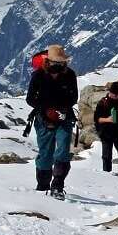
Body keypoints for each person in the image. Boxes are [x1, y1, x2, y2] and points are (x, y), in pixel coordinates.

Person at [26, 45, 78, 200]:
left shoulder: (70, 75)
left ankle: (57, 186)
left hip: (64, 118)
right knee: (46, 154)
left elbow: (73, 97)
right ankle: (42, 186)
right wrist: (46, 109)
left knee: (62, 150)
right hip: (43, 119)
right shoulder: (38, 75)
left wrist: (62, 109)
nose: (59, 65)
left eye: (61, 62)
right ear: (48, 61)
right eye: (56, 62)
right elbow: (30, 98)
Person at [94, 81, 118, 174]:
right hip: (106, 132)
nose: (116, 96)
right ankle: (107, 174)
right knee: (107, 155)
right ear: (110, 92)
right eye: (114, 94)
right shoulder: (102, 102)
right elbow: (97, 119)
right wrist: (108, 119)